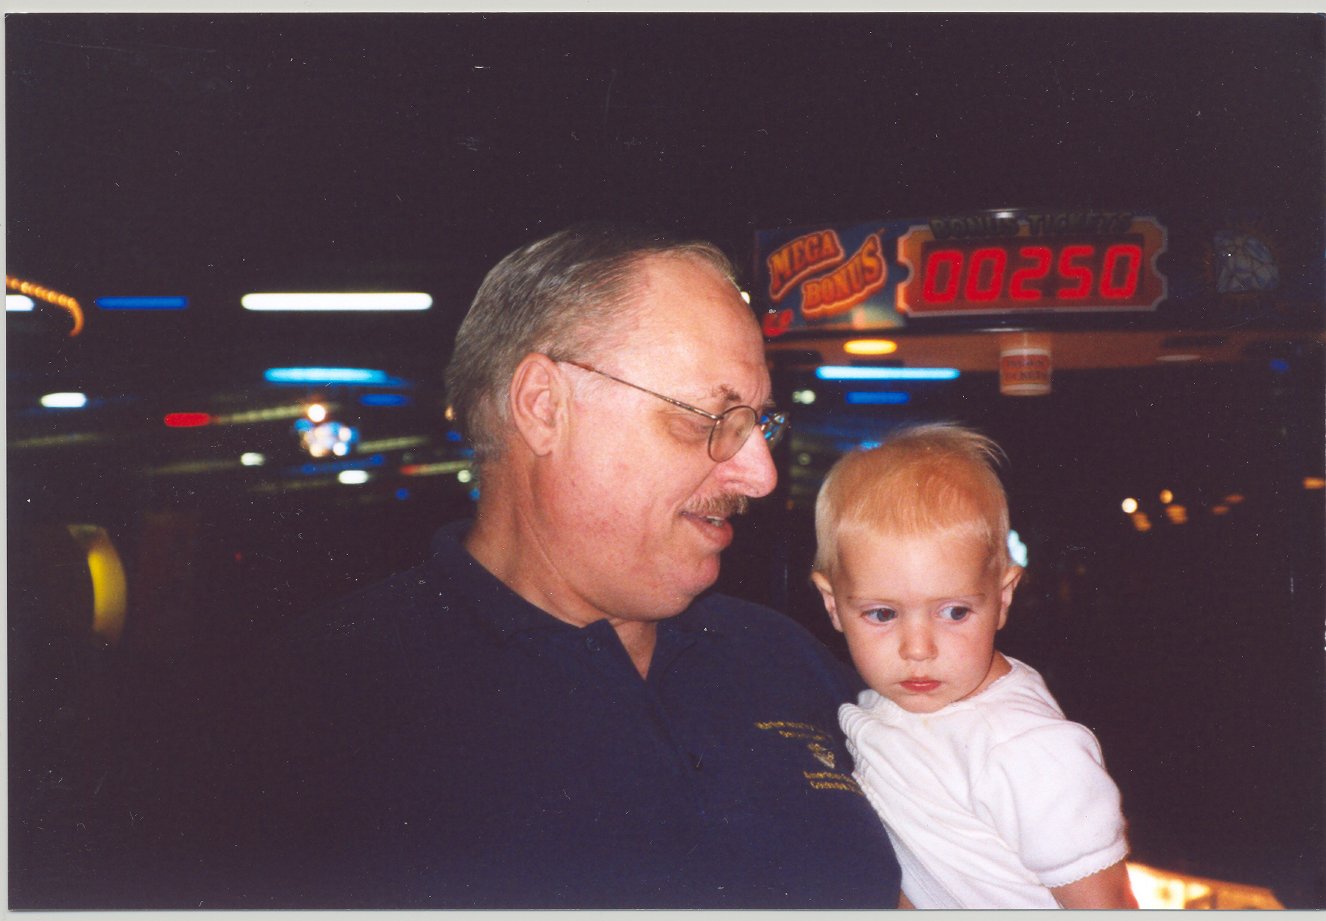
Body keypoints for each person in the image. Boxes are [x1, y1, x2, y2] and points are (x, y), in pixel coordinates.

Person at [181, 223, 901, 909]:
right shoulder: (314, 711)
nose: (761, 475)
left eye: (759, 423)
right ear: (542, 406)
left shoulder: (789, 660)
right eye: (708, 419)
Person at [809, 422, 1137, 909]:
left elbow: (1106, 905)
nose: (918, 649)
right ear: (833, 605)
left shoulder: (1025, 748)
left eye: (955, 612)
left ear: (1003, 598)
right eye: (882, 614)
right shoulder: (884, 704)